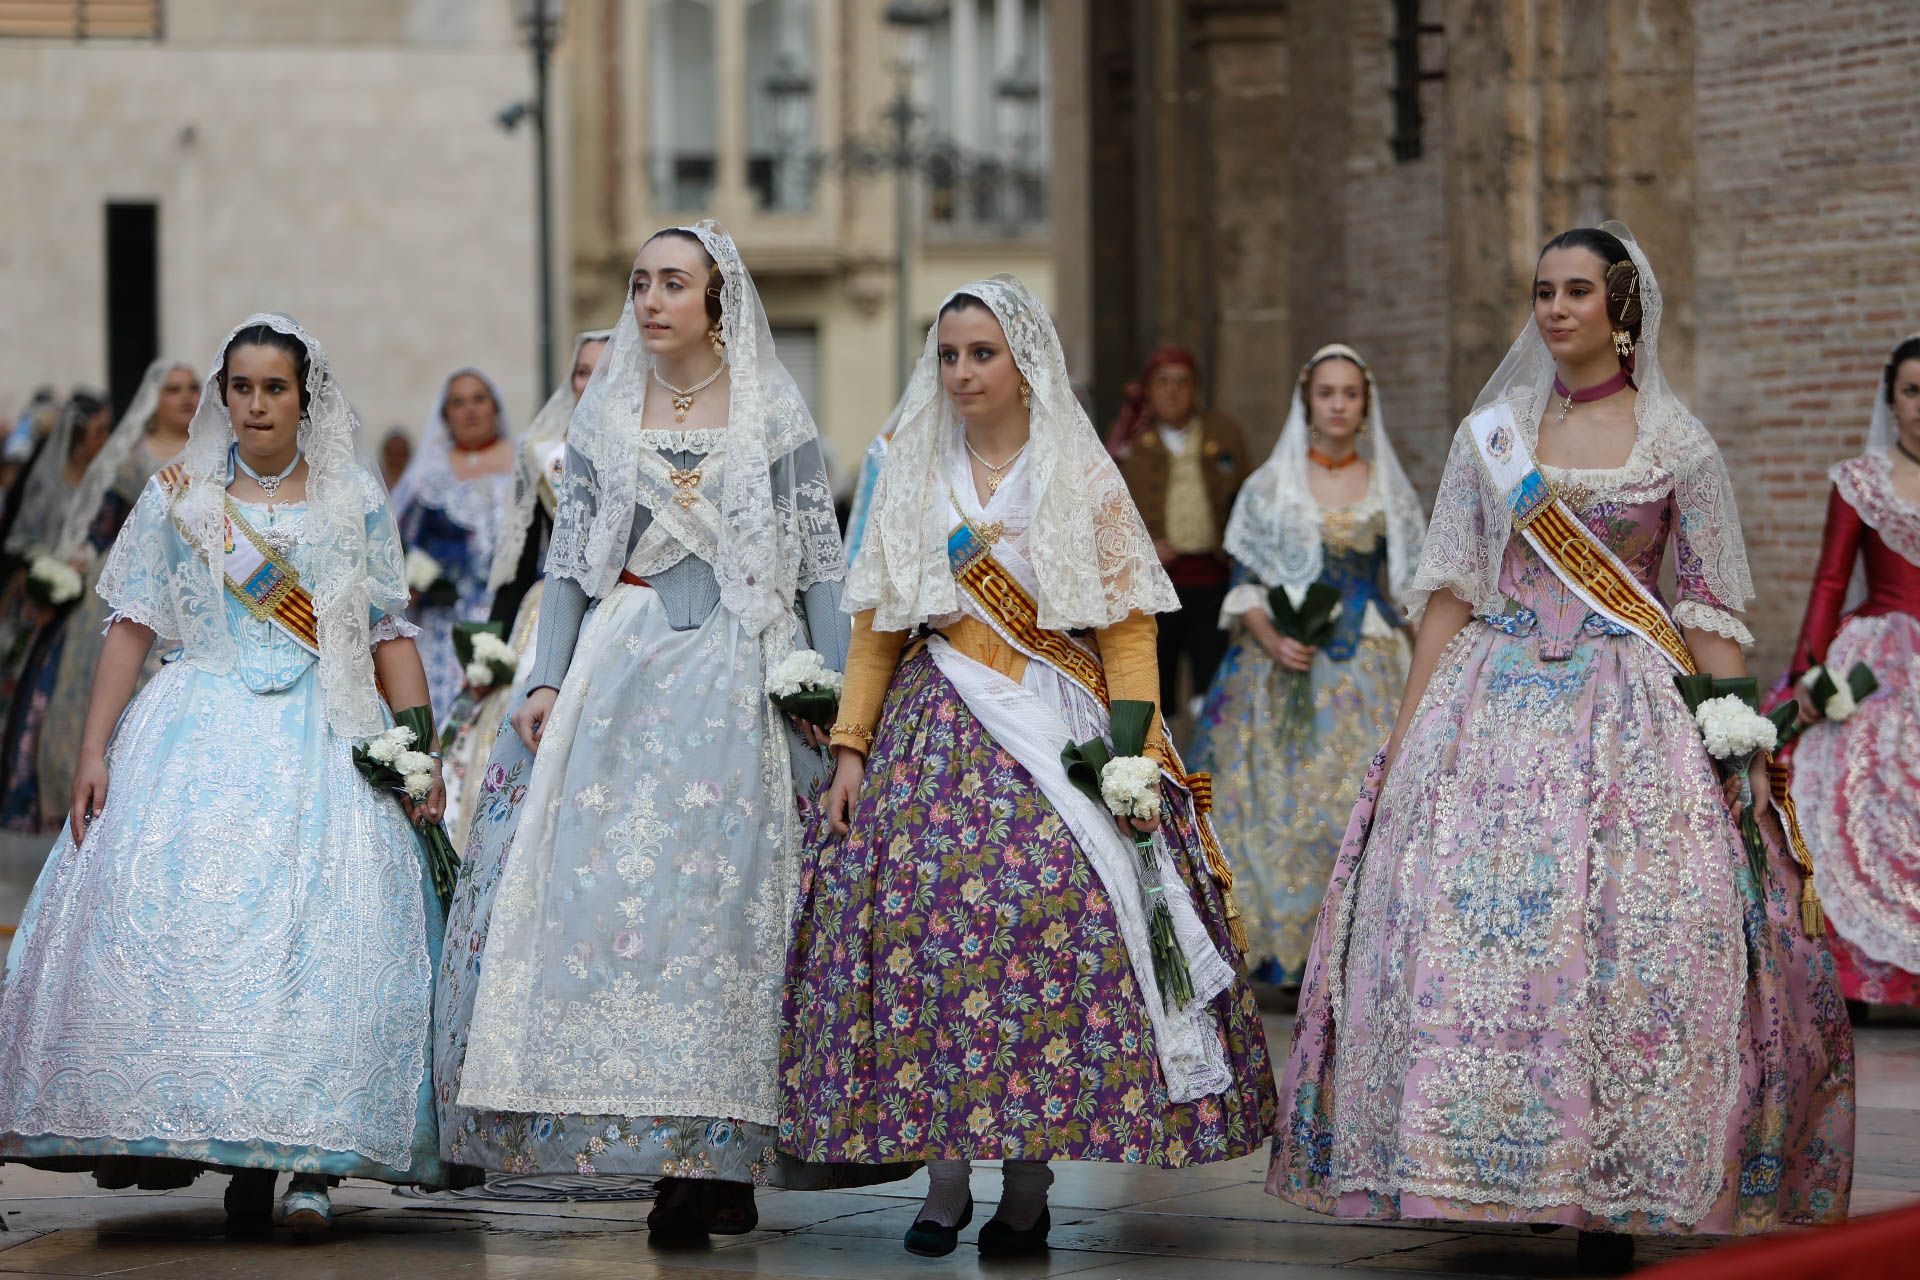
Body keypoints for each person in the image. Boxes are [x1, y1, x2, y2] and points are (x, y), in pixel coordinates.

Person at [1266, 224, 1853, 1267]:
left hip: (1629, 715)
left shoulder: (1677, 442)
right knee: (1481, 941)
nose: (1554, 309)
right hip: (1486, 702)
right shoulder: (1491, 434)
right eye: (1543, 291)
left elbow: (1707, 604)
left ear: (1623, 308)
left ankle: (1603, 1183)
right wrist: (1403, 745)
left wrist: (1738, 736)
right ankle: (1497, 1167)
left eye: (1577, 291)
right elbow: (1450, 590)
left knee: (1623, 934)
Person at [782, 276, 1276, 1260]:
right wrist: (848, 748)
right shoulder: (909, 468)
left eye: (982, 353)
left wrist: (1133, 759)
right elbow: (879, 624)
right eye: (950, 354)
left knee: (1055, 927)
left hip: (1057, 717)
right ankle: (946, 1174)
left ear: (1024, 363)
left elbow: (1130, 629)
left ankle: (1030, 1180)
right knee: (928, 935)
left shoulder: (1080, 475)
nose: (962, 371)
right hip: (934, 719)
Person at [435, 222, 857, 1242]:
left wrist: (843, 709)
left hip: (743, 676)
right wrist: (542, 683)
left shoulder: (774, 415)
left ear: (720, 300)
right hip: (624, 676)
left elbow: (822, 574)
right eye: (640, 283)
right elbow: (571, 569)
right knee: (629, 906)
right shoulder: (605, 421)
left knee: (727, 913)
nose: (652, 299)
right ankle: (672, 1153)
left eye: (675, 282)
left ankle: (731, 1149)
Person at [0, 314, 448, 1236]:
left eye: (273, 388)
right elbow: (131, 627)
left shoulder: (353, 495)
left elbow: (389, 633)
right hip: (193, 729)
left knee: (321, 943)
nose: (255, 404)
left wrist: (418, 750)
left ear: (304, 396)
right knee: (190, 934)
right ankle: (222, 1141)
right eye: (239, 387)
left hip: (326, 734)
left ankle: (312, 1165)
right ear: (222, 397)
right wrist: (93, 750)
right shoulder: (179, 498)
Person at [1189, 344, 1424, 987]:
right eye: (1328, 393)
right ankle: (1280, 955)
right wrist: (1270, 640)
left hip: (1369, 665)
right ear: (1308, 401)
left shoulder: (1386, 487)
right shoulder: (1272, 487)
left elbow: (1407, 588)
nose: (1340, 404)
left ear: (1365, 404)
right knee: (1276, 806)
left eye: (1351, 393)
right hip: (1280, 667)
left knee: (1356, 799)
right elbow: (1244, 583)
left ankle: (1356, 954)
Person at [1779, 333, 1920, 1013]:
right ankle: (1873, 983)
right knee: (1858, 797)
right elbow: (1831, 579)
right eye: (1912, 391)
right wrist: (1810, 671)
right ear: (1891, 400)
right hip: (1878, 659)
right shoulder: (1861, 480)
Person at [438, 328, 609, 851]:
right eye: (581, 371)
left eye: (601, 370)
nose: (590, 382)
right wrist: (494, 645)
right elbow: (519, 561)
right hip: (554, 608)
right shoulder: (544, 456)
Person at [32, 360, 198, 830]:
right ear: (153, 399)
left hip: (190, 590)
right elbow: (104, 523)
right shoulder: (132, 455)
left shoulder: (213, 454)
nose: (186, 397)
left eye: (193, 388)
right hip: (137, 581)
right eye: (174, 390)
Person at [1109, 347, 1247, 721]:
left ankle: (1207, 759)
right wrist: (1145, 547)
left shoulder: (1223, 434)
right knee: (1157, 684)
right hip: (1155, 583)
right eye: (1163, 382)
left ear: (1196, 388)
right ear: (1149, 389)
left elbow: (1246, 499)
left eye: (1182, 382)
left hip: (1212, 578)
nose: (1172, 391)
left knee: (1212, 683)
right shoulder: (1132, 445)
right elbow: (1109, 516)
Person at [0, 391, 112, 828]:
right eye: (99, 432)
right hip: (51, 600)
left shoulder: (107, 479)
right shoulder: (49, 479)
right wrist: (50, 571)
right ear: (81, 437)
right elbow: (24, 536)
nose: (105, 439)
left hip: (91, 600)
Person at [392, 367, 515, 714]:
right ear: (446, 414)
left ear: (495, 406)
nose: (470, 410)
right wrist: (420, 576)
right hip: (447, 625)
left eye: (479, 399)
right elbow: (405, 542)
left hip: (514, 611)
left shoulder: (524, 460)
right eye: (458, 403)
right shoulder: (429, 474)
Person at [379, 428, 413, 492]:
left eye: (400, 454)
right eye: (392, 453)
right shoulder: (377, 482)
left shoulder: (415, 484)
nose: (396, 459)